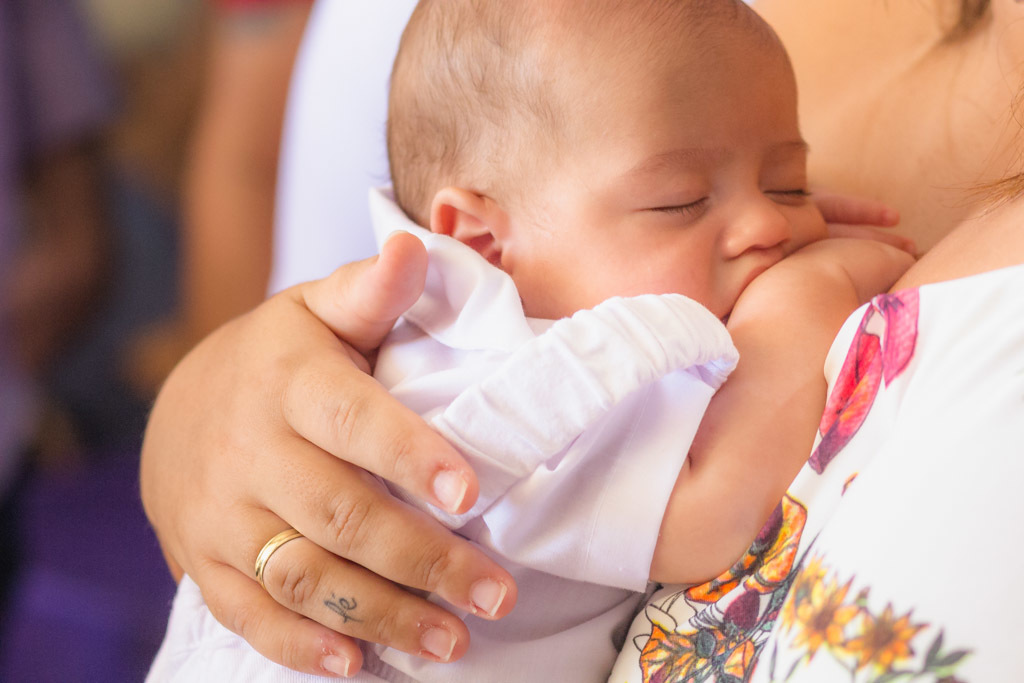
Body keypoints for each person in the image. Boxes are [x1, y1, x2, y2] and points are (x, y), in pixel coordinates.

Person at [140, 0, 1024, 680]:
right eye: (682, 200)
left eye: (788, 182)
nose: (768, 224)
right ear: (486, 241)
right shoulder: (516, 385)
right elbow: (711, 513)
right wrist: (806, 299)